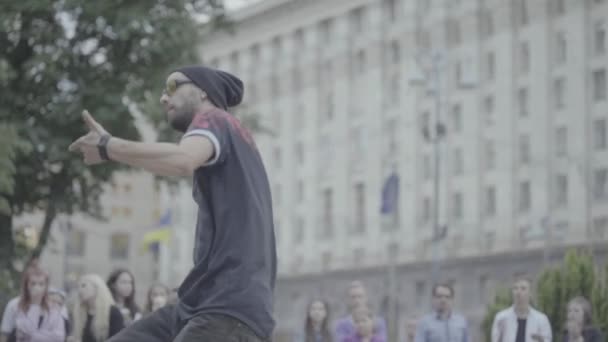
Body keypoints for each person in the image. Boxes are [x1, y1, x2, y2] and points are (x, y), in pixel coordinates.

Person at [69, 65, 276, 341]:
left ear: (203, 91)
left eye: (172, 86)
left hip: (228, 309)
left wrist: (108, 145)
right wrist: (110, 153)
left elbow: (182, 160)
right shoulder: (235, 143)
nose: (163, 98)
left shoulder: (215, 119)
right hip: (196, 305)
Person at [0, 267, 65, 342]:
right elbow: (5, 333)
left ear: (46, 286)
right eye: (33, 284)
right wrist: (35, 304)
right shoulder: (14, 305)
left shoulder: (54, 307)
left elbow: (59, 337)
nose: (37, 287)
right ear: (26, 285)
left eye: (41, 284)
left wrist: (33, 336)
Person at [491, 277, 552, 342]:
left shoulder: (541, 319)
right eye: (515, 288)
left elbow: (547, 339)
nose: (518, 292)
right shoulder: (501, 317)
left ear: (530, 293)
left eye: (523, 288)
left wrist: (541, 340)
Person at [69, 274, 125, 342]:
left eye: (83, 286)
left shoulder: (113, 313)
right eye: (78, 287)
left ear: (97, 287)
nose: (80, 290)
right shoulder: (79, 313)